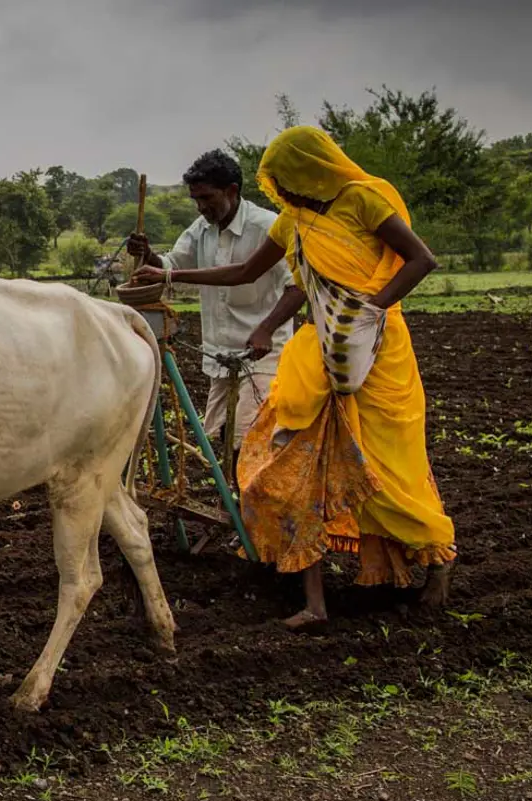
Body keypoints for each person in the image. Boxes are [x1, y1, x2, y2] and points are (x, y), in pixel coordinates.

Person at [133, 126, 456, 630]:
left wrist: (369, 311)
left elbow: (422, 259)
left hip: (375, 355)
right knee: (288, 467)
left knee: (382, 472)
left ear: (312, 168)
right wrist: (171, 276)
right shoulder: (293, 222)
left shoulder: (363, 201)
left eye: (286, 177)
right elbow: (243, 273)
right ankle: (314, 602)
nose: (282, 189)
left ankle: (438, 560)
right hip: (319, 357)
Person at [127, 150, 294, 465]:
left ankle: (248, 509)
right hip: (221, 355)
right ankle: (233, 504)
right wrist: (148, 254)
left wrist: (267, 328)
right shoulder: (201, 229)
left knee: (249, 440)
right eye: (196, 200)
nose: (201, 207)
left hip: (262, 356)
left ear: (232, 191)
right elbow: (172, 263)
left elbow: (296, 285)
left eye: (207, 198)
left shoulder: (267, 227)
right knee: (218, 437)